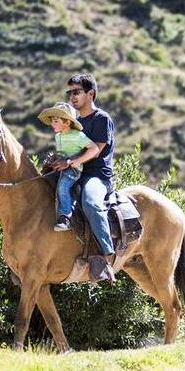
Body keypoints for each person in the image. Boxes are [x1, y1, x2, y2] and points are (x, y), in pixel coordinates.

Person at [51, 74, 117, 283]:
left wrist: (70, 162)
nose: (72, 96)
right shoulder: (74, 123)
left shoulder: (101, 119)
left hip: (97, 176)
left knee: (90, 202)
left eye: (77, 92)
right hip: (74, 173)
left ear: (91, 94)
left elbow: (95, 150)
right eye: (70, 92)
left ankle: (106, 257)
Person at [38, 102, 100, 232]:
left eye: (55, 121)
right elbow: (62, 154)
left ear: (67, 123)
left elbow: (94, 148)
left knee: (63, 186)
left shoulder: (78, 136)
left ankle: (65, 217)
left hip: (73, 170)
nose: (52, 124)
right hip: (62, 167)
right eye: (52, 121)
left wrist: (75, 161)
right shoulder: (58, 136)